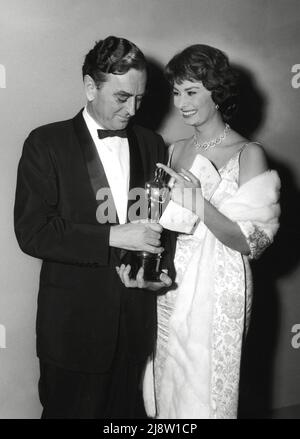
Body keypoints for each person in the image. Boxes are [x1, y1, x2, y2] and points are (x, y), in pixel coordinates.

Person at [14, 36, 173, 419]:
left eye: (139, 98)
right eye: (122, 97)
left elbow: (159, 229)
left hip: (135, 327)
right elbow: (32, 231)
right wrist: (114, 235)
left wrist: (158, 274)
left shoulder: (152, 143)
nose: (132, 109)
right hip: (72, 330)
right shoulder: (45, 143)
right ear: (90, 86)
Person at [118, 44, 281, 418]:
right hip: (172, 284)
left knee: (204, 392)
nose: (181, 102)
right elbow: (159, 224)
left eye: (191, 92)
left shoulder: (248, 153)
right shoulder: (174, 150)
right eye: (176, 91)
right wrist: (147, 270)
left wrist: (199, 203)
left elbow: (251, 242)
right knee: (167, 384)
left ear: (217, 92)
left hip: (221, 288)